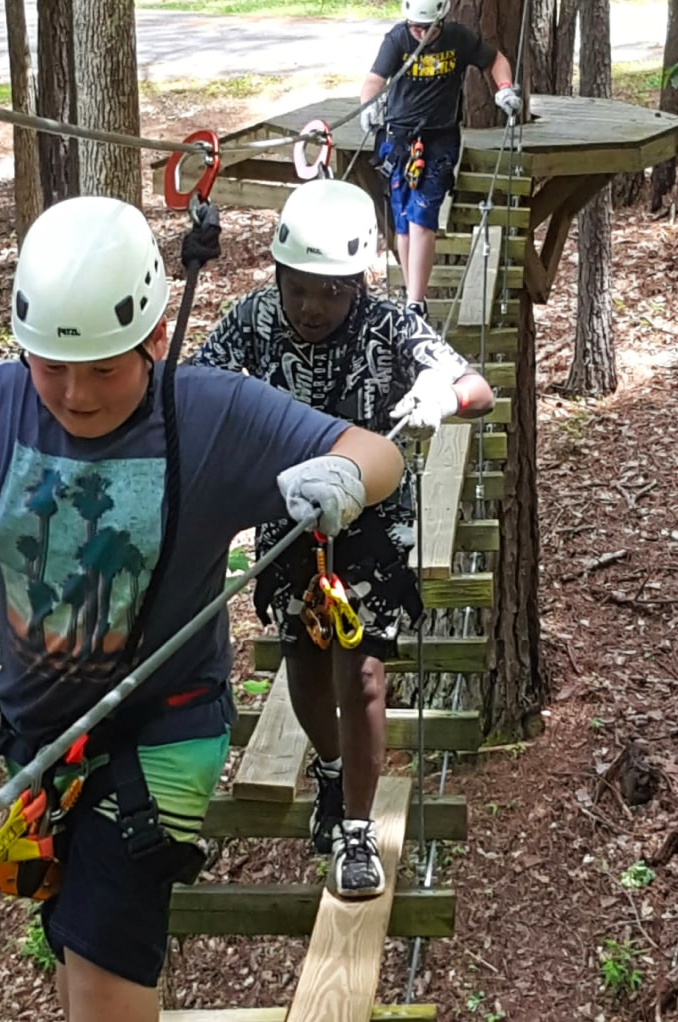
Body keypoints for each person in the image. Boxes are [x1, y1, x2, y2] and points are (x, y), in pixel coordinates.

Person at [0, 195, 405, 1022]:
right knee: (74, 943)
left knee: (99, 976)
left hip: (161, 731)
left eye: (102, 368)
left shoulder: (204, 412)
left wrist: (343, 476)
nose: (73, 393)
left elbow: (374, 451)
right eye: (51, 366)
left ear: (155, 341)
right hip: (39, 734)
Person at [191, 178, 494, 899]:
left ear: (359, 282)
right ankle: (328, 770)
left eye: (331, 291)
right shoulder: (255, 321)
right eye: (299, 288)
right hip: (287, 510)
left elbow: (476, 388)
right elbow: (189, 382)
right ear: (278, 277)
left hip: (374, 520)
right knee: (301, 651)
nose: (312, 307)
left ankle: (358, 830)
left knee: (360, 672)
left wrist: (440, 395)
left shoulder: (389, 327)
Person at [358, 0, 520, 316]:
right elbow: (374, 79)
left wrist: (503, 88)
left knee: (422, 215)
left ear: (440, 20)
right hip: (399, 139)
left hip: (439, 140)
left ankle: (416, 304)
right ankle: (412, 295)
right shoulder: (398, 39)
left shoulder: (457, 38)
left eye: (424, 27)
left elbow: (495, 59)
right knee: (403, 223)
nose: (418, 32)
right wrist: (368, 105)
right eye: (414, 26)